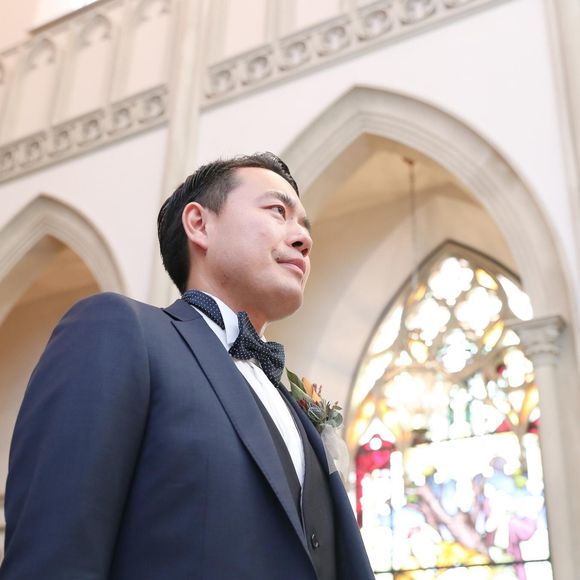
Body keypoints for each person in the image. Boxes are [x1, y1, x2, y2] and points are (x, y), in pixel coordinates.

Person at [0, 153, 374, 580]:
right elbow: (53, 556)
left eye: (305, 227)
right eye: (277, 211)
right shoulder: (121, 331)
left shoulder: (291, 402)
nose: (303, 239)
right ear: (199, 224)